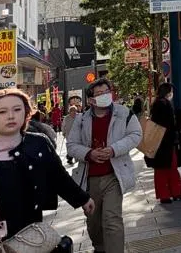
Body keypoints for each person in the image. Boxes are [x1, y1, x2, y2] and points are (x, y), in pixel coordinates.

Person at [0, 87, 94, 252]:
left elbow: (58, 176)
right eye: (2, 111)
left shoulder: (38, 145)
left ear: (26, 113)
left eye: (17, 109)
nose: (11, 116)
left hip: (29, 236)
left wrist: (83, 199)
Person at [67, 77, 142, 253]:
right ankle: (99, 248)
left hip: (114, 175)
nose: (104, 96)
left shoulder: (124, 113)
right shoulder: (81, 119)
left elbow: (135, 135)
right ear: (91, 99)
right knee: (93, 223)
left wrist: (114, 149)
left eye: (106, 92)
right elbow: (71, 146)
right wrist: (89, 153)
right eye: (99, 94)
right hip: (90, 178)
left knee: (112, 220)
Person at [145, 83, 181, 205]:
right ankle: (175, 193)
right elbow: (169, 124)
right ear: (168, 92)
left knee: (161, 170)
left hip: (159, 143)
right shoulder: (165, 104)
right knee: (170, 168)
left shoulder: (156, 104)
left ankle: (166, 195)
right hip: (166, 142)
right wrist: (178, 129)